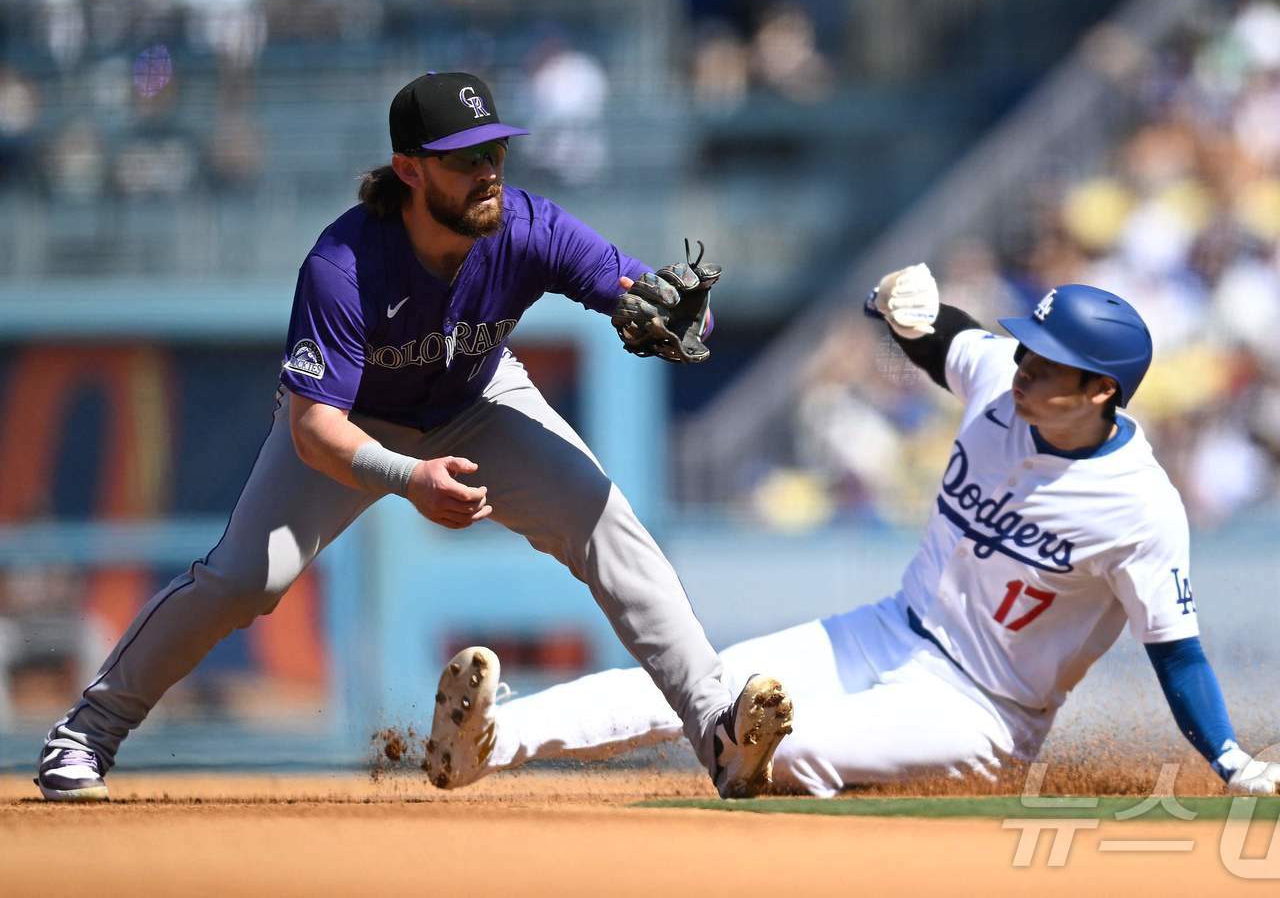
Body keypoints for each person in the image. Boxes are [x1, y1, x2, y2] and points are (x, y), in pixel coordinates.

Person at [35, 72, 792, 802]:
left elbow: (641, 290)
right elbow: (311, 428)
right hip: (352, 421)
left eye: (496, 152)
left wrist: (681, 313)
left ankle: (718, 729)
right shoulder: (343, 266)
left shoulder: (530, 227)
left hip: (478, 396)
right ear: (409, 170)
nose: (489, 172)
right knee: (243, 579)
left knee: (608, 523)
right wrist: (407, 476)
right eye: (467, 160)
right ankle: (86, 732)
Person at [422, 265, 1280, 798]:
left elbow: (1178, 651)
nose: (1023, 365)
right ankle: (485, 744)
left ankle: (742, 763)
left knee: (796, 738)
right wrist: (906, 305)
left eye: (1049, 363)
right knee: (690, 678)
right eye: (1026, 347)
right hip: (889, 627)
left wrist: (1229, 758)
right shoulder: (1000, 381)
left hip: (982, 710)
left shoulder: (1140, 506)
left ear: (1101, 391)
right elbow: (951, 335)